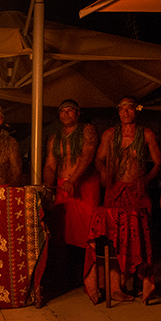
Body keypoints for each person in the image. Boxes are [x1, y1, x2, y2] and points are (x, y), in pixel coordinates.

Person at [95, 97, 161, 302]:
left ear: (136, 111)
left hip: (137, 192)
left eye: (129, 109)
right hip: (115, 191)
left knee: (140, 236)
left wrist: (146, 179)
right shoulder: (109, 134)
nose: (125, 113)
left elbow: (158, 163)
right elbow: (99, 158)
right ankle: (116, 286)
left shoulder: (147, 134)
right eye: (121, 109)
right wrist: (104, 172)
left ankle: (138, 283)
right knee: (115, 237)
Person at [43, 99, 100, 248]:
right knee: (61, 231)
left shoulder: (87, 130)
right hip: (63, 187)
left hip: (84, 185)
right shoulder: (54, 138)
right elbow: (50, 164)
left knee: (88, 231)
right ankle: (65, 268)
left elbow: (87, 156)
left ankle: (89, 268)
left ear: (78, 114)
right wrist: (48, 186)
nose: (66, 113)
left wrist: (73, 180)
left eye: (70, 110)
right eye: (62, 111)